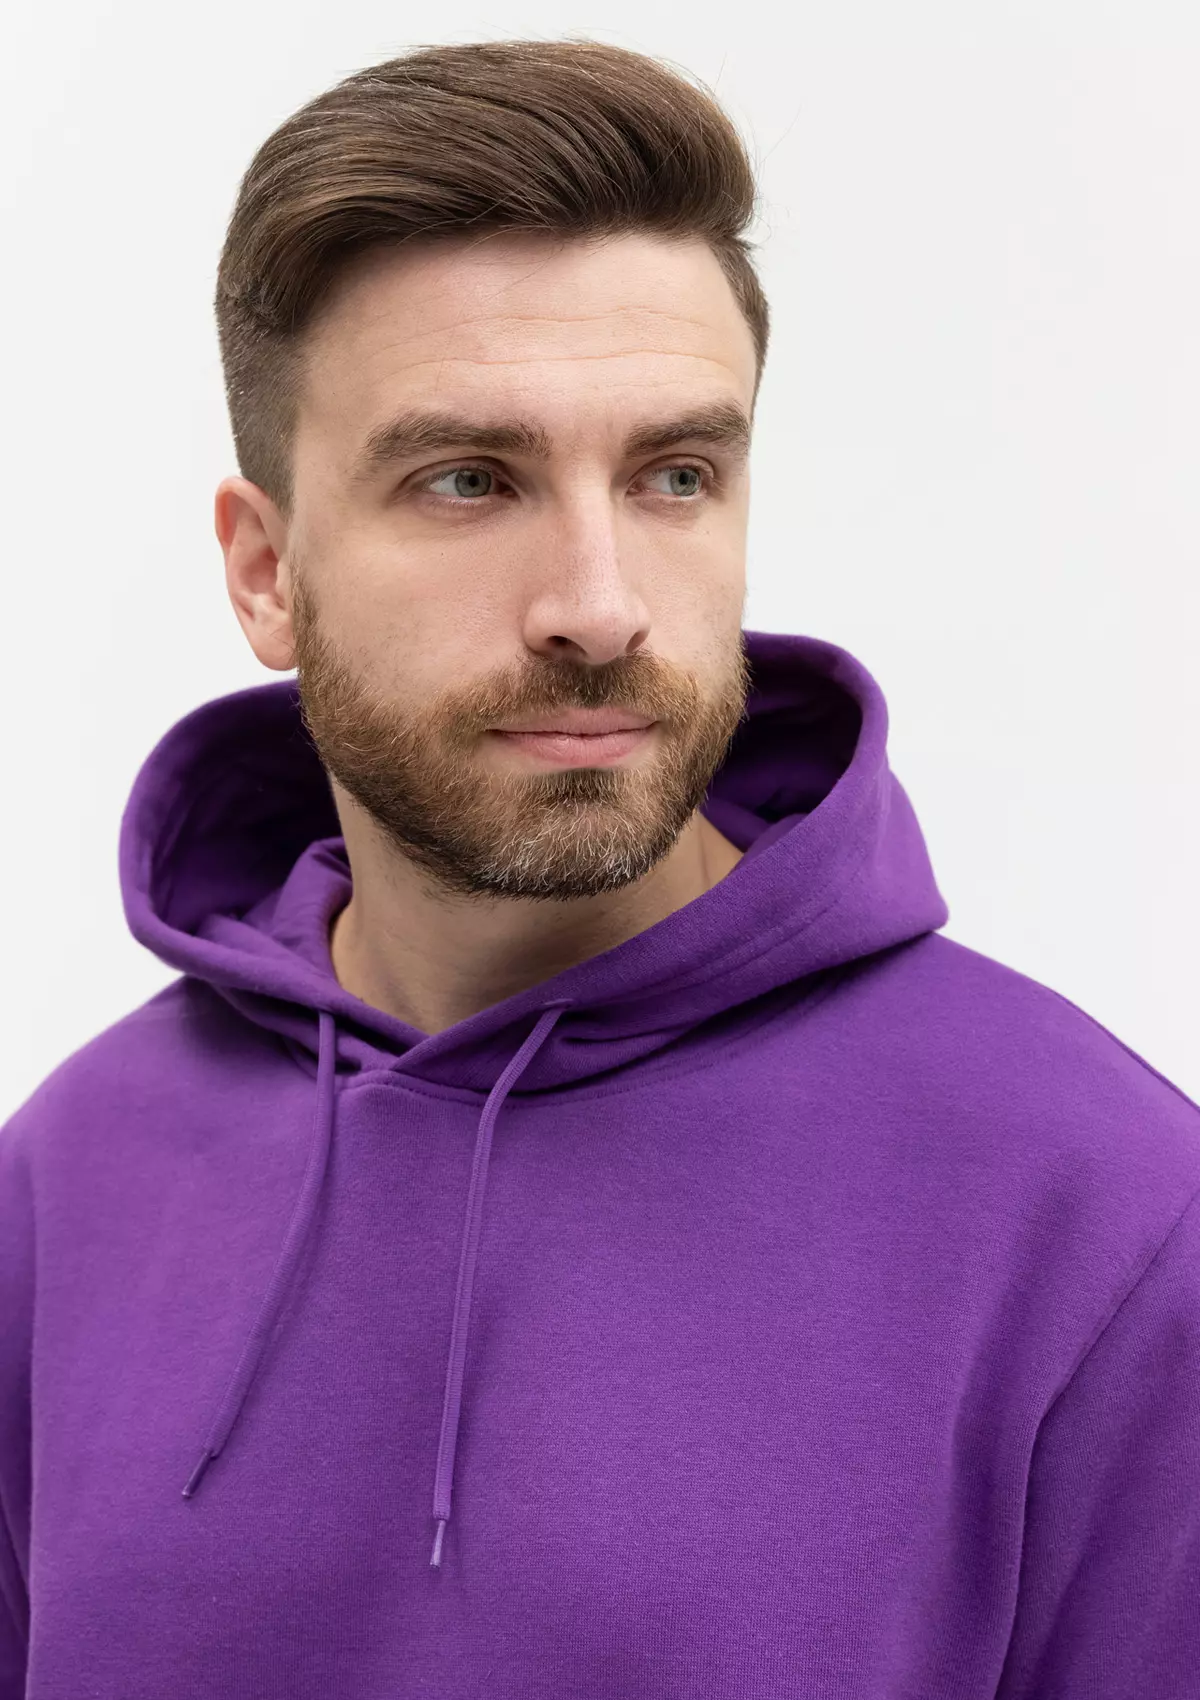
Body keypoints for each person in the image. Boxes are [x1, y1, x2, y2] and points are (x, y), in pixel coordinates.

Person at [1, 37, 1197, 1700]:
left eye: (674, 476)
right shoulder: (68, 1180)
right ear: (267, 573)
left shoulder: (1109, 1215)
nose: (599, 603)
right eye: (468, 480)